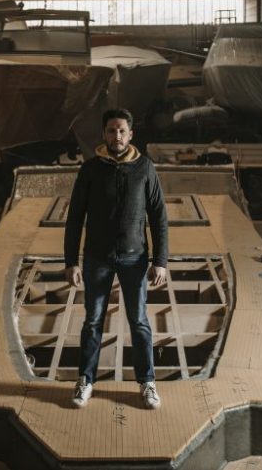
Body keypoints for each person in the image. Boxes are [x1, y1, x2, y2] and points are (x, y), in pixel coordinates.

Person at [64, 108, 169, 409]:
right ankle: (85, 380)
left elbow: (159, 216)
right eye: (111, 131)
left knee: (139, 321)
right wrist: (70, 261)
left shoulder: (145, 168)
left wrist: (160, 260)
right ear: (104, 134)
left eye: (122, 130)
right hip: (97, 258)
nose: (117, 136)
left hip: (135, 259)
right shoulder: (90, 169)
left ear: (131, 134)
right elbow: (74, 218)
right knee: (93, 321)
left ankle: (147, 382)